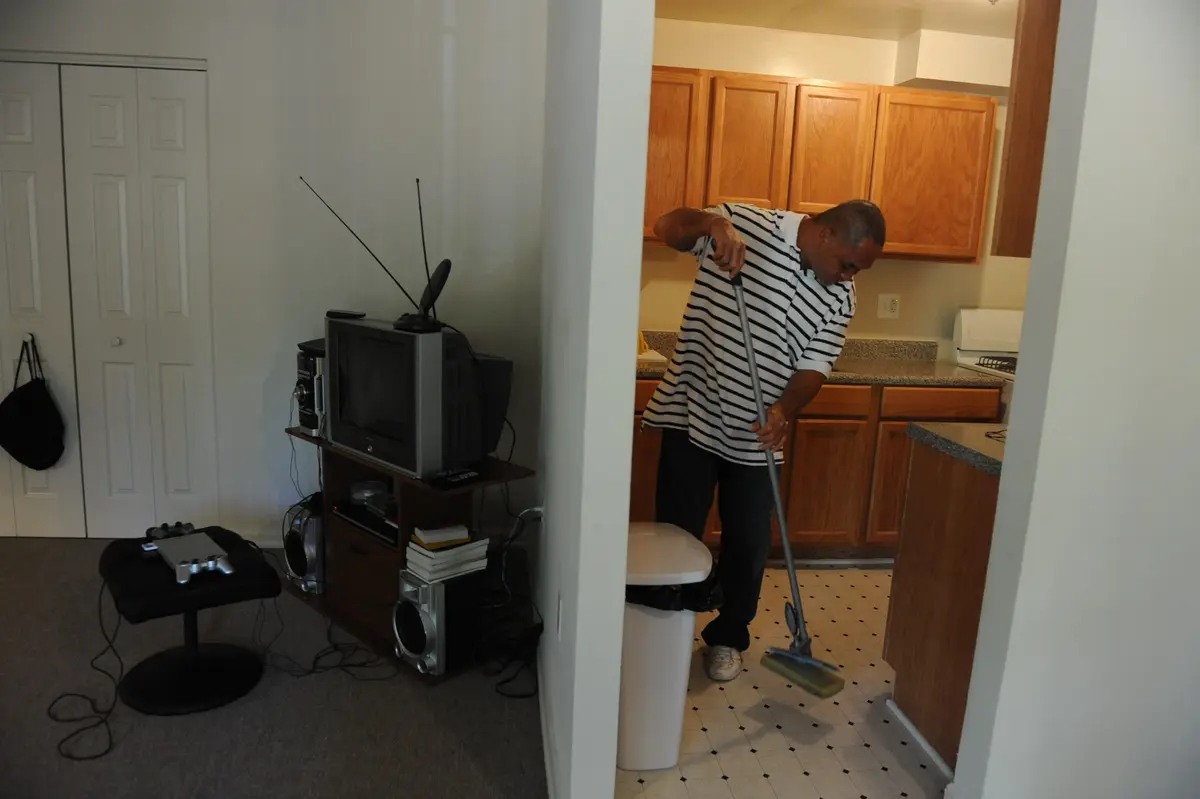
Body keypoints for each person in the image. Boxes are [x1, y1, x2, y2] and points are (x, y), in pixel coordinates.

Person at [643, 199, 886, 682]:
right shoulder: (747, 224)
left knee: (749, 543)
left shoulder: (842, 297)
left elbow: (815, 366)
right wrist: (715, 227)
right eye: (848, 264)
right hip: (693, 413)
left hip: (757, 434)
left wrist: (784, 410)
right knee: (676, 534)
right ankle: (662, 637)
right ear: (824, 235)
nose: (850, 276)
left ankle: (728, 637)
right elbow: (666, 227)